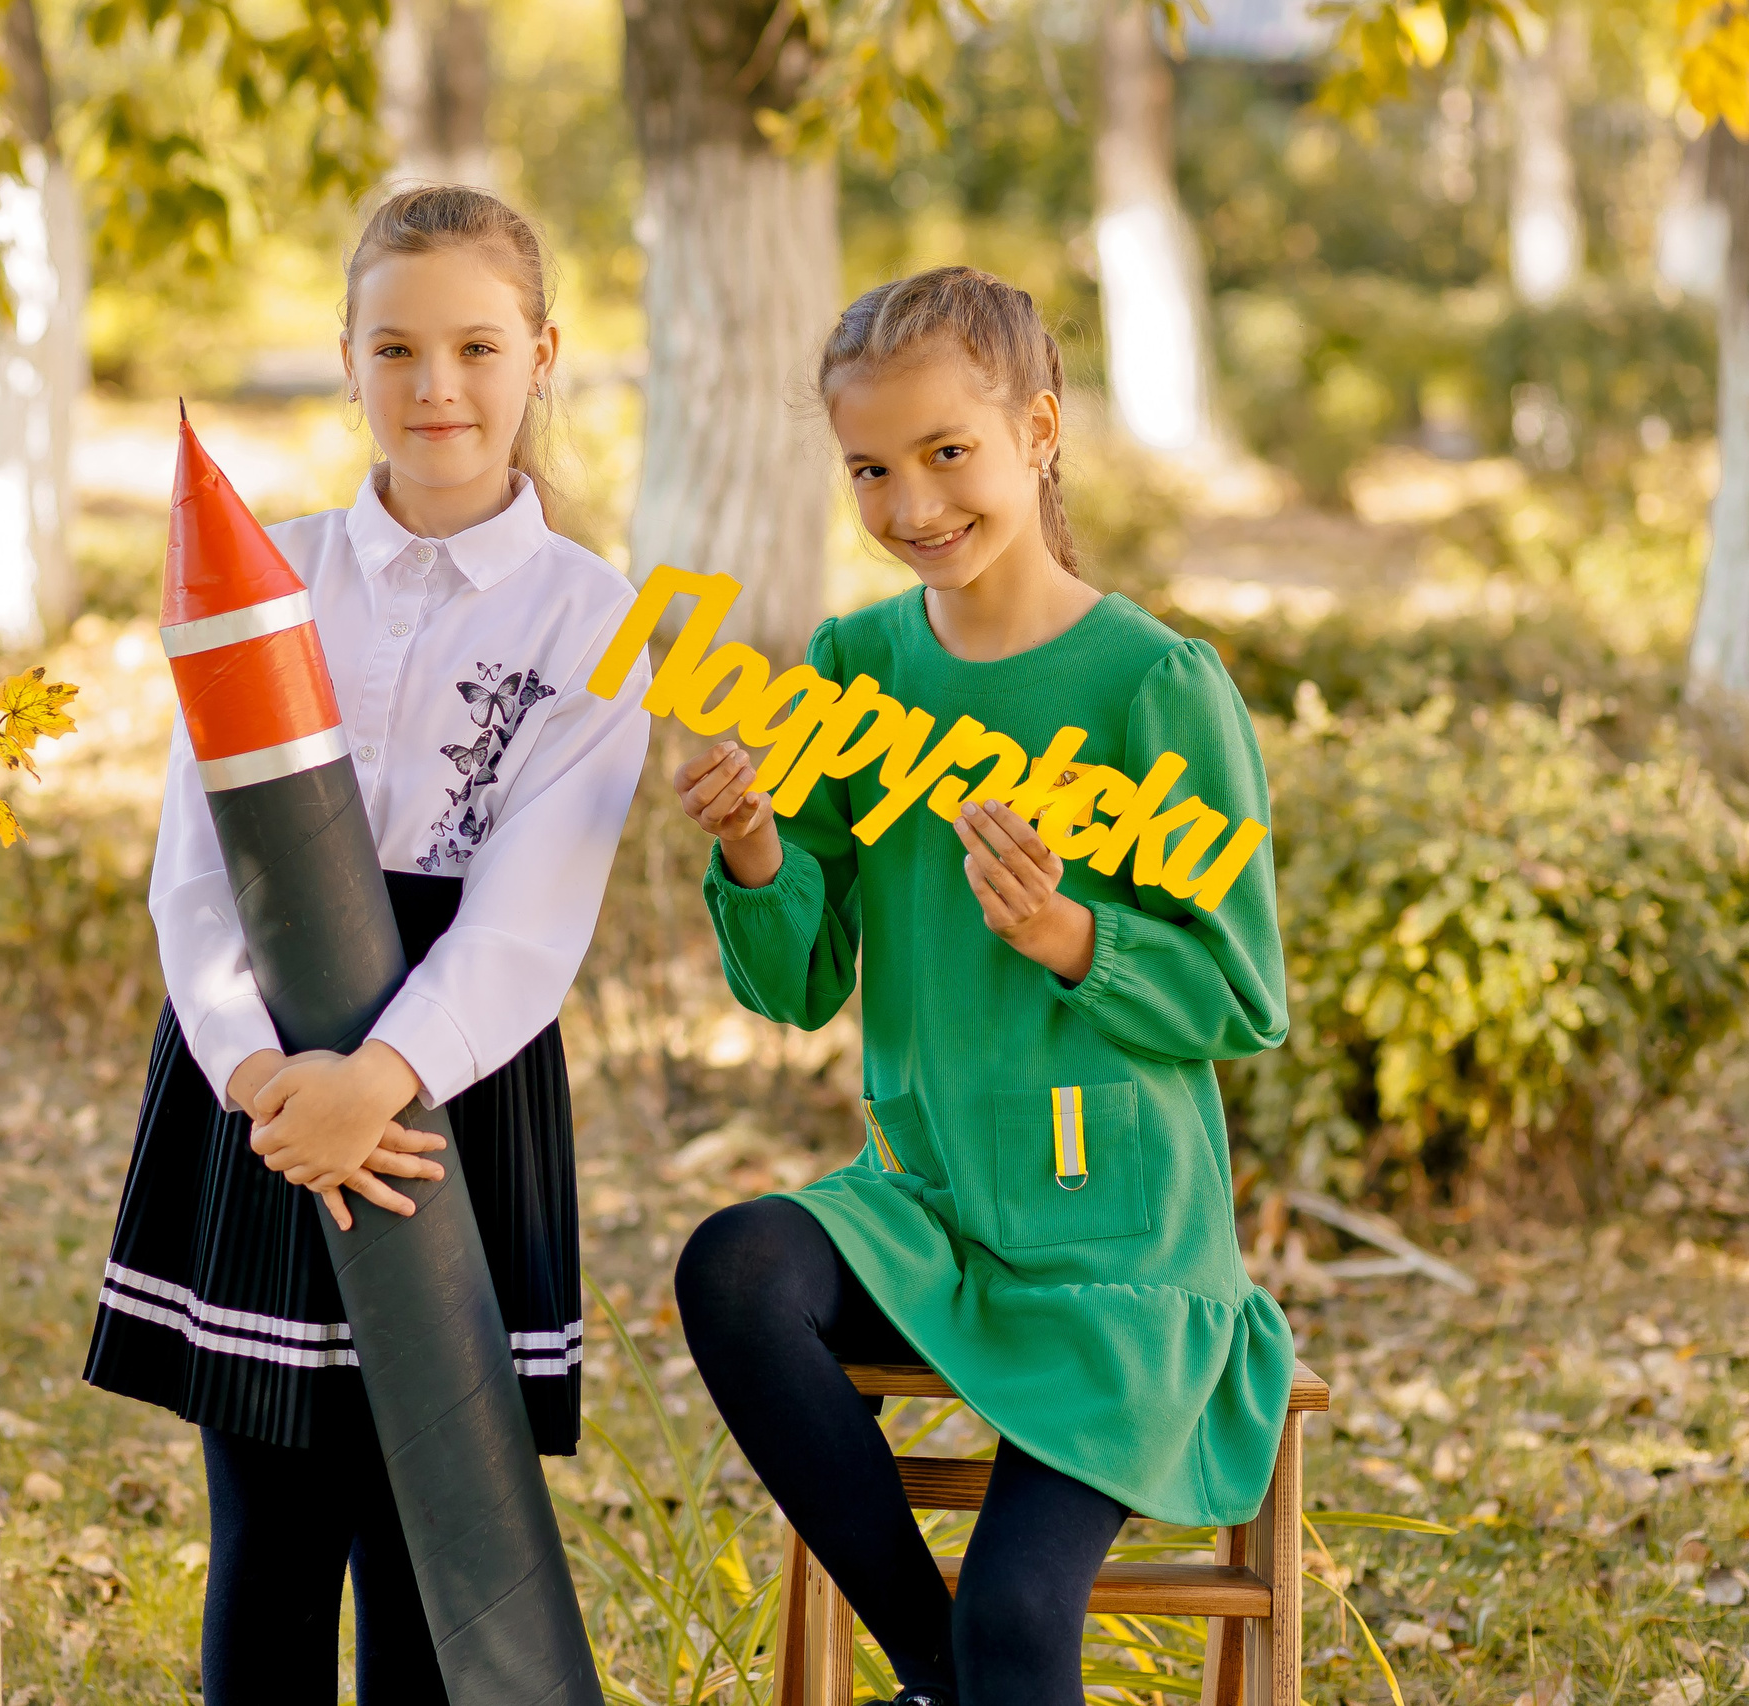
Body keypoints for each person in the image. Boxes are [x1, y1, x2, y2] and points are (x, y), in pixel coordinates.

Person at [668, 266, 1293, 1706]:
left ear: (1042, 429)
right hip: (926, 1216)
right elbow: (799, 983)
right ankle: (934, 1675)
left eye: (948, 450)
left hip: (1113, 1254)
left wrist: (1076, 938)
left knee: (1020, 1618)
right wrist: (757, 848)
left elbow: (1242, 992)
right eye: (871, 469)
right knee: (736, 1265)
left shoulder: (1154, 683)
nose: (913, 503)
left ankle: (966, 1668)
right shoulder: (854, 670)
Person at [83, 185, 652, 1705]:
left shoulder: (593, 618)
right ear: (347, 360)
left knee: (430, 1542)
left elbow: (530, 917)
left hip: (452, 1088)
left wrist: (378, 1082)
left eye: (477, 346)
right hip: (263, 1076)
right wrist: (264, 1081)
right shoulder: (269, 578)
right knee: (269, 1532)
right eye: (395, 348)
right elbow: (196, 871)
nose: (436, 385)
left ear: (542, 354)